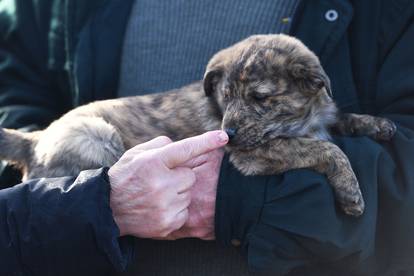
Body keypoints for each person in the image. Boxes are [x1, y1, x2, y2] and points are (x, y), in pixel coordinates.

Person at [0, 0, 414, 275]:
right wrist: (89, 204)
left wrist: (236, 197)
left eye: (259, 98)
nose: (231, 126)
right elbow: (20, 80)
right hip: (73, 148)